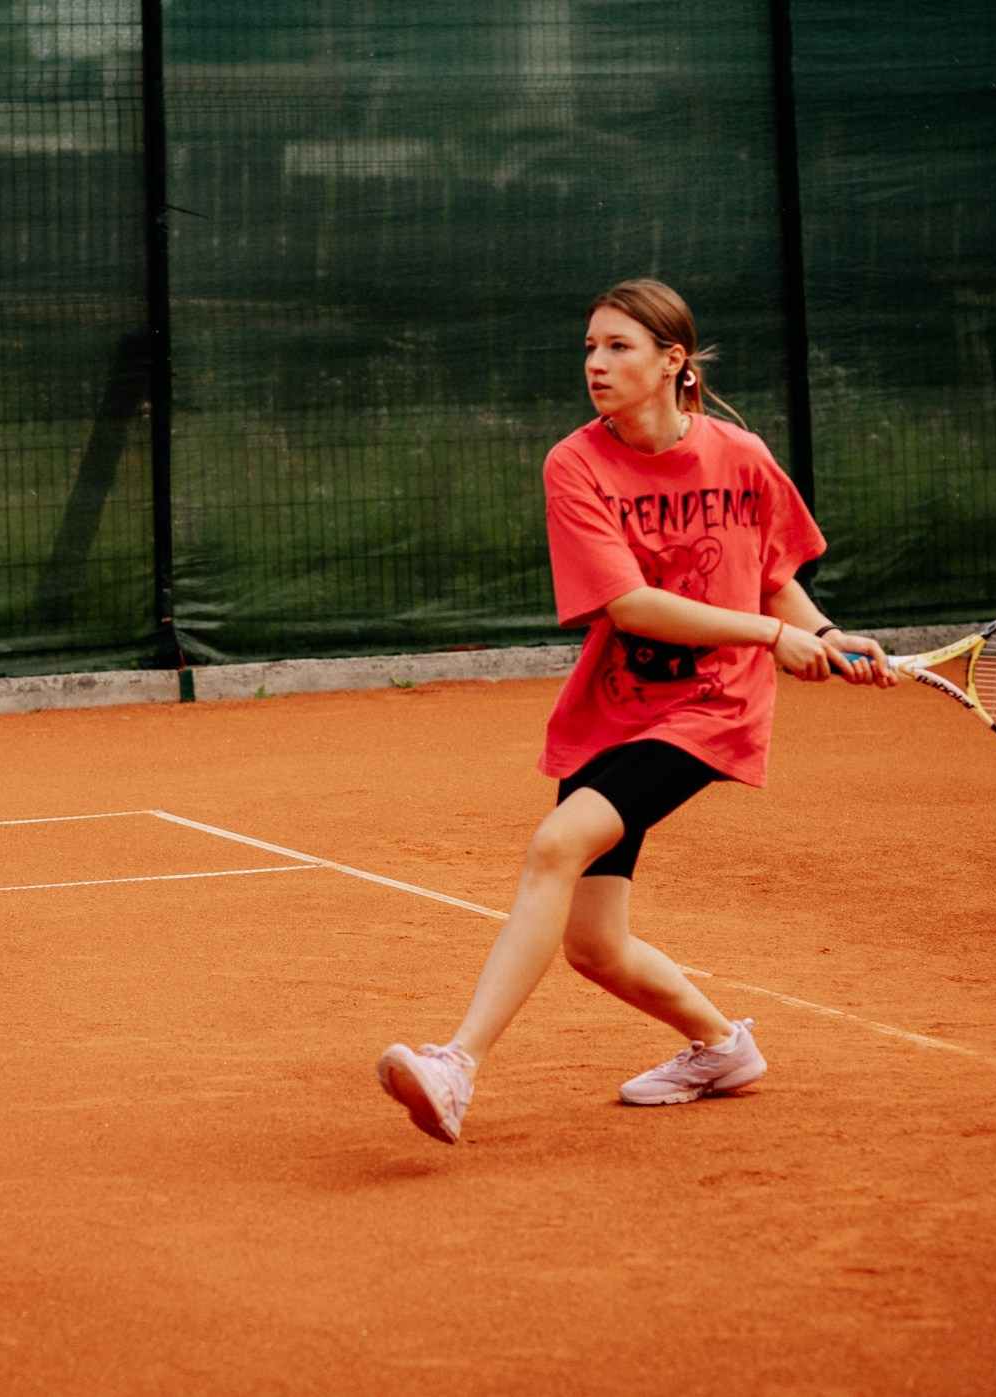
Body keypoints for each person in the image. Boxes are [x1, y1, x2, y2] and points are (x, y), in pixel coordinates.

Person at [376, 278, 896, 1144]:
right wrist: (775, 634)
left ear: (673, 362)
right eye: (590, 347)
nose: (596, 363)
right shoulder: (574, 462)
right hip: (613, 709)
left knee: (557, 843)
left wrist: (828, 633)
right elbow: (631, 606)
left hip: (711, 704)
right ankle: (722, 1047)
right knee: (594, 944)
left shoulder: (743, 456)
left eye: (619, 346)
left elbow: (773, 572)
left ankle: (457, 1065)